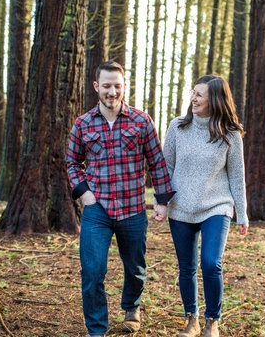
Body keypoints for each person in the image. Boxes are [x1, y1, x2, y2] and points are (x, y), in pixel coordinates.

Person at [66, 61, 174, 337]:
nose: (111, 92)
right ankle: (97, 328)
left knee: (135, 268)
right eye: (106, 86)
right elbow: (72, 163)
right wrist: (84, 193)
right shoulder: (83, 123)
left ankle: (131, 308)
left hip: (133, 210)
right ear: (96, 87)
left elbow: (157, 162)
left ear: (124, 86)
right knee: (92, 271)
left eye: (117, 86)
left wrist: (161, 200)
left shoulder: (141, 121)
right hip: (97, 210)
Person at [156, 75, 248, 337]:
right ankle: (192, 319)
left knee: (210, 263)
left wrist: (241, 212)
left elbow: (236, 176)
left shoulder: (230, 135)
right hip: (181, 207)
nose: (193, 98)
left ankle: (212, 321)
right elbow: (166, 167)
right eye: (192, 93)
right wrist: (161, 202)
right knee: (187, 267)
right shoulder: (178, 127)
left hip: (216, 206)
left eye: (199, 95)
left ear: (215, 100)